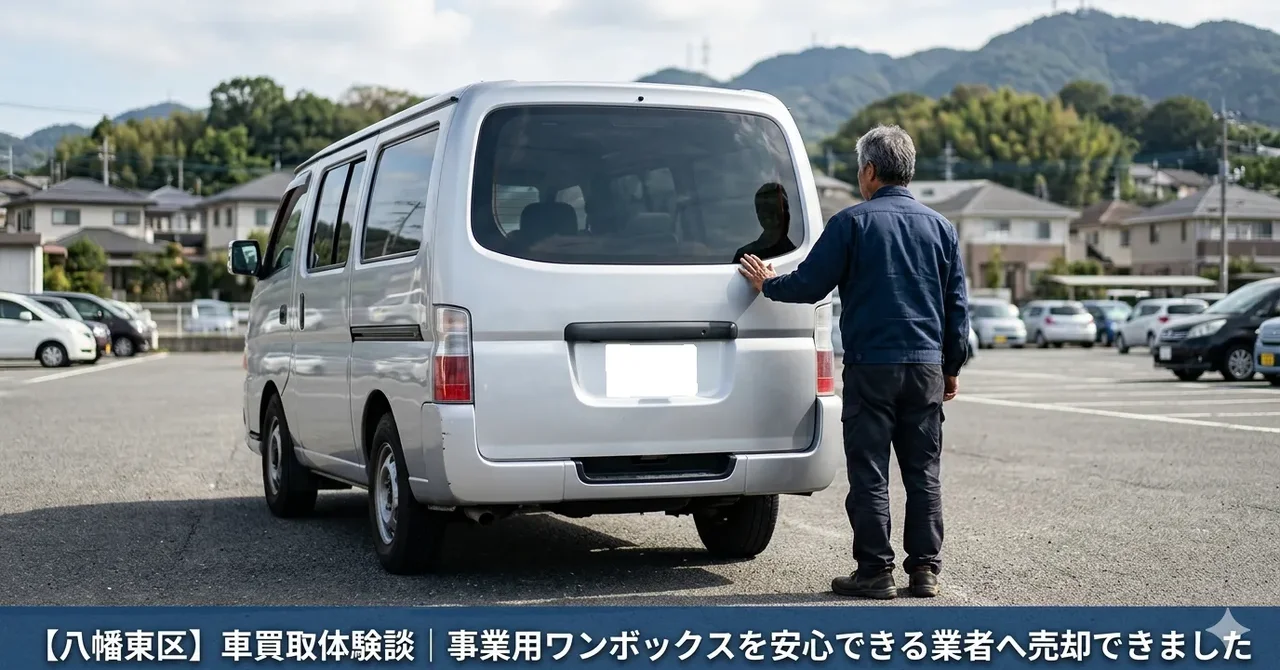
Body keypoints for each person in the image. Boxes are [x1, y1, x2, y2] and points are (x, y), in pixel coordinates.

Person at [737, 124, 969, 599]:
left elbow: (808, 285)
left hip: (871, 367)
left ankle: (875, 572)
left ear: (868, 170)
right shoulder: (941, 227)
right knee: (923, 472)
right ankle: (924, 571)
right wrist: (951, 367)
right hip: (925, 366)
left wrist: (767, 283)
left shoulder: (851, 223)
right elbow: (957, 306)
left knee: (870, 471)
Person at [733, 182, 797, 264]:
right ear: (759, 215)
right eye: (767, 209)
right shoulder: (744, 257)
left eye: (782, 208)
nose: (774, 214)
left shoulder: (801, 255)